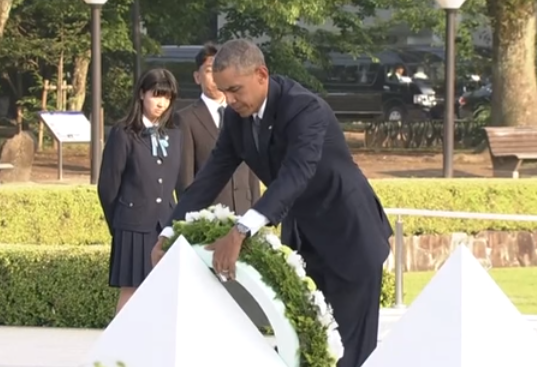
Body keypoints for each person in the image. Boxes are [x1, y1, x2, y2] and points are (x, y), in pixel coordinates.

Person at [152, 39, 392, 367]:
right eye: (224, 92)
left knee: (345, 355)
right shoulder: (237, 117)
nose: (230, 100)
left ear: (261, 75)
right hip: (305, 241)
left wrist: (240, 230)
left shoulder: (305, 109)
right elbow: (209, 178)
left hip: (350, 236)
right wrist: (169, 232)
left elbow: (296, 174)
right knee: (301, 346)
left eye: (235, 89)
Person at [97, 68, 181, 315]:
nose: (161, 103)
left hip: (165, 225)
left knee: (165, 291)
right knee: (132, 291)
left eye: (167, 97)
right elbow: (108, 186)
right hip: (132, 226)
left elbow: (179, 181)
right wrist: (120, 223)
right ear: (142, 94)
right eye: (156, 95)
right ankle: (119, 351)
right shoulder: (123, 133)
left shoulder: (175, 134)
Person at [175, 43, 260, 214]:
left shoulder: (243, 113)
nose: (215, 77)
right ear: (197, 77)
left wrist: (257, 211)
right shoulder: (186, 119)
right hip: (210, 216)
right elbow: (185, 179)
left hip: (244, 213)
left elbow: (252, 170)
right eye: (208, 71)